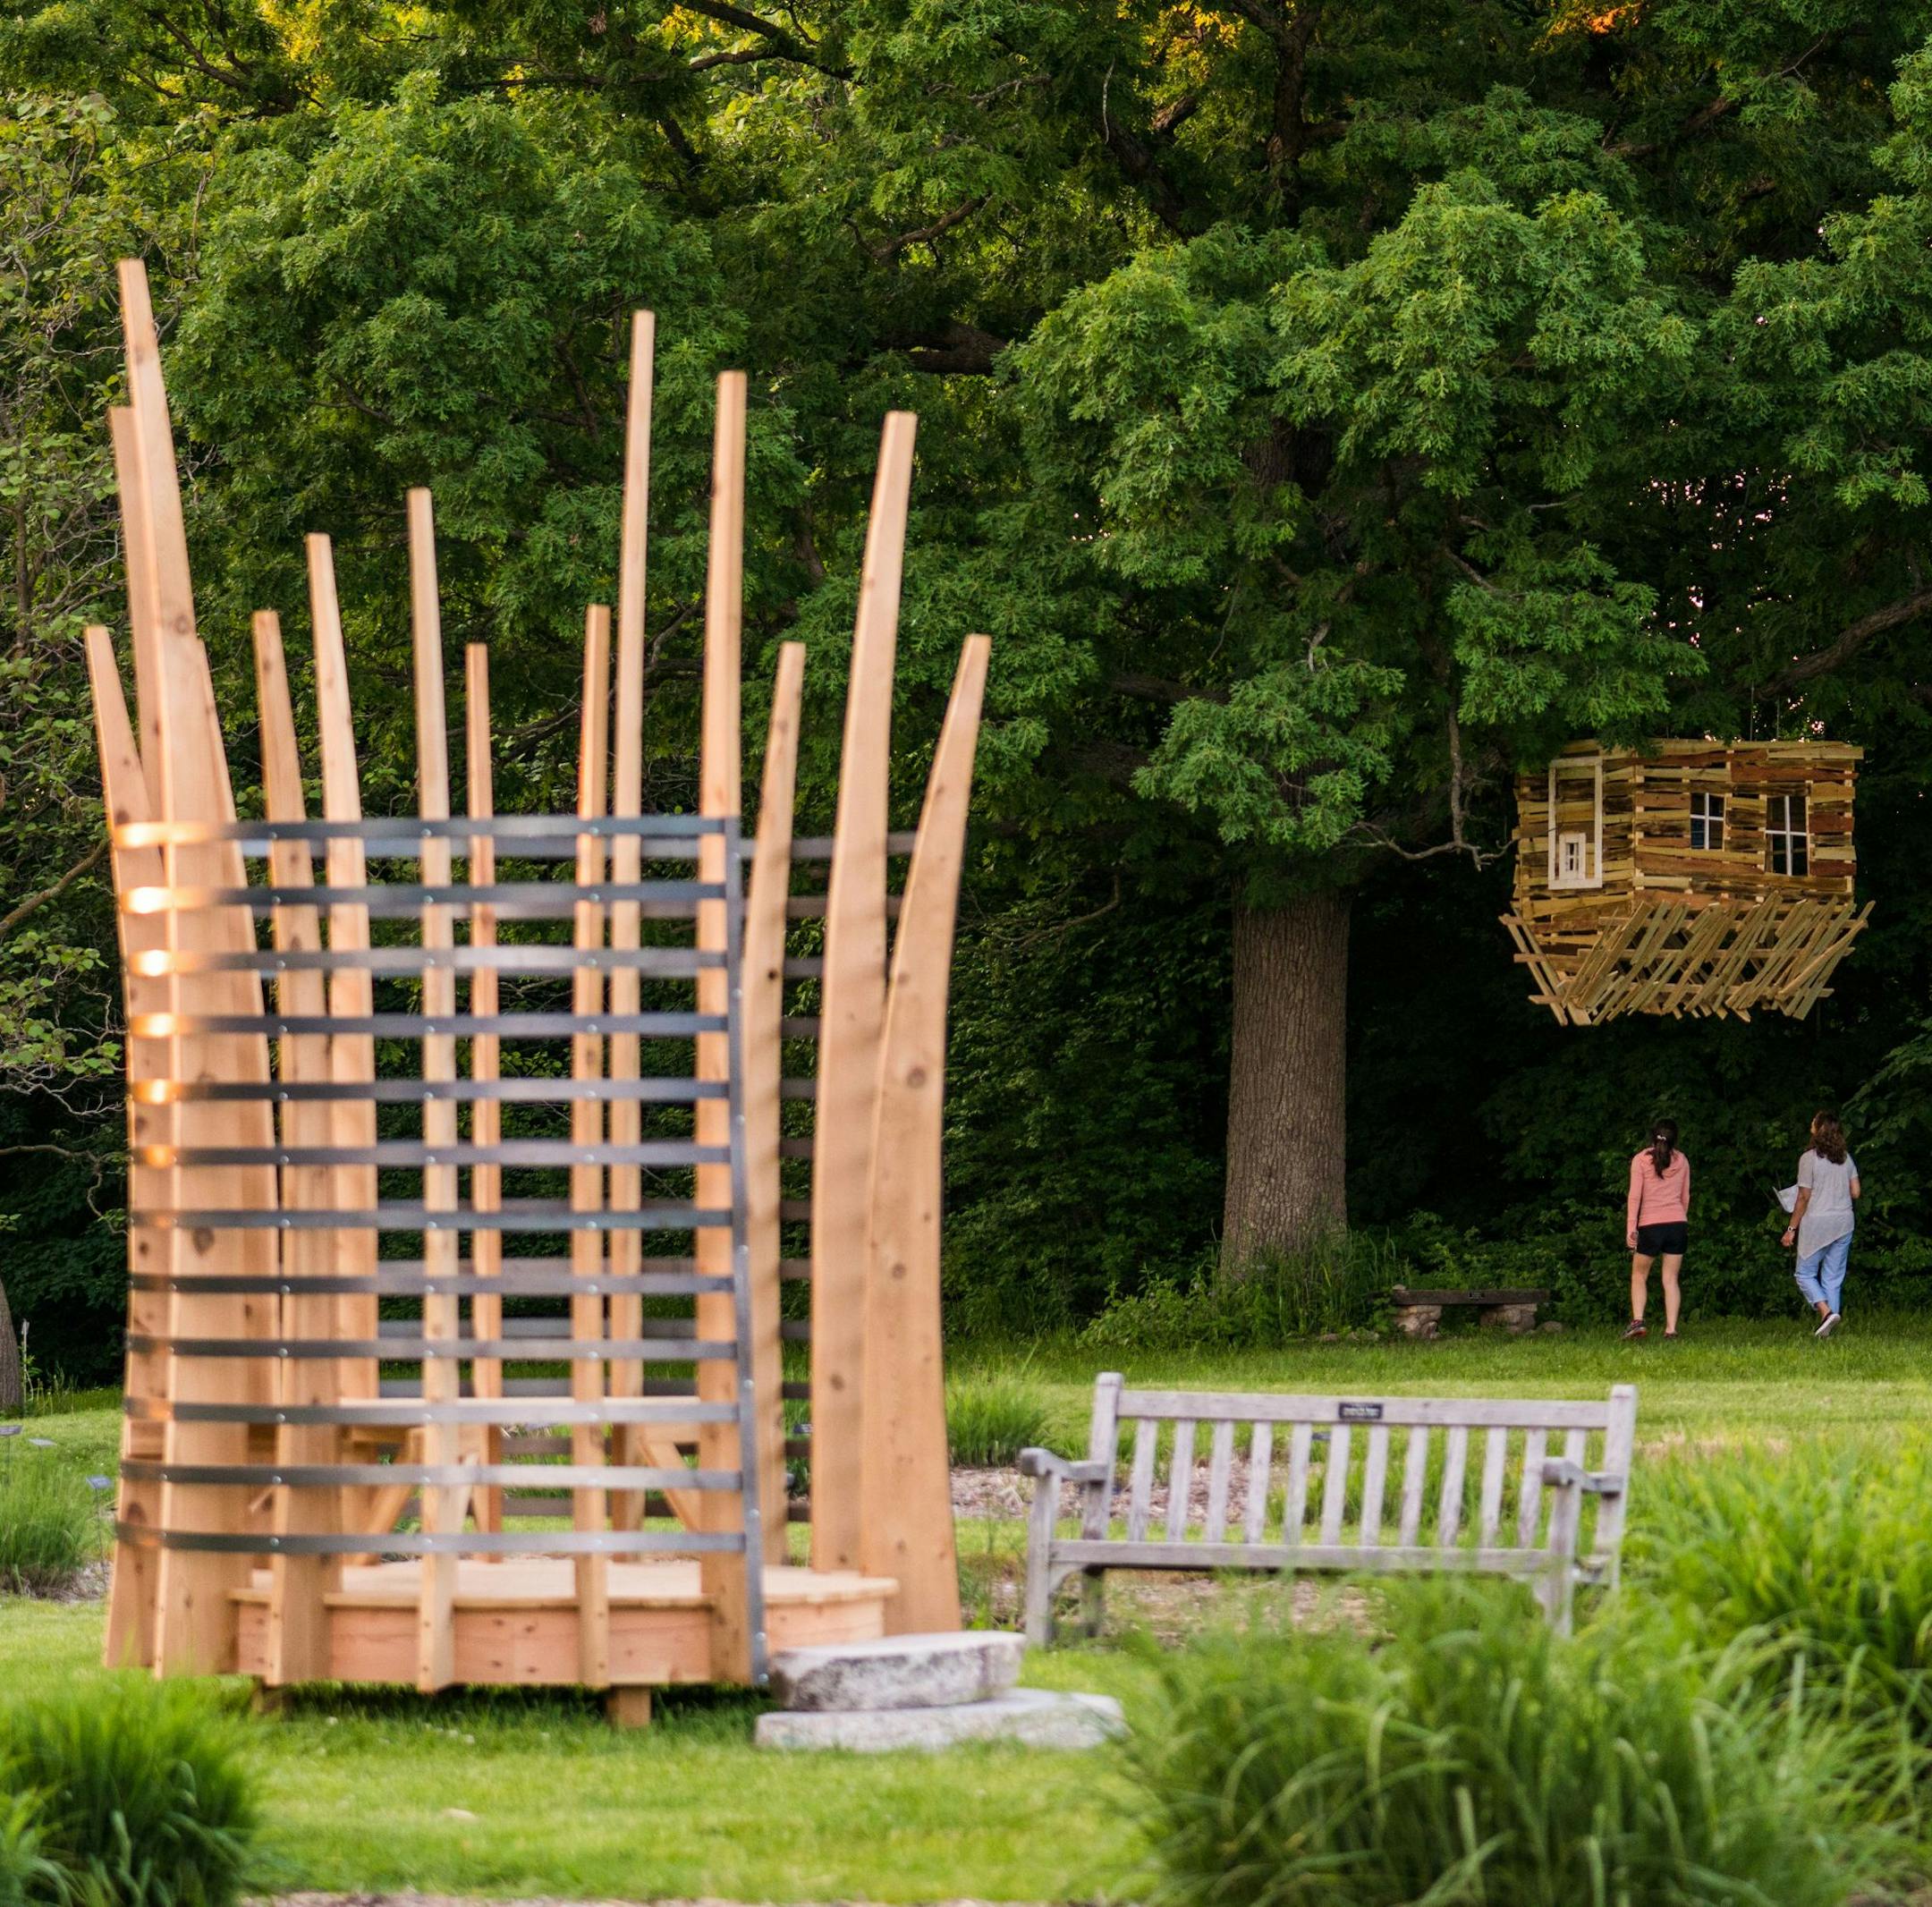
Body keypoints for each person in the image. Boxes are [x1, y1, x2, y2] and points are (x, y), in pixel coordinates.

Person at [1782, 1111, 1860, 1338]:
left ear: (1818, 1129)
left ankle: (1825, 1313)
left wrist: (1791, 1229)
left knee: (1804, 1274)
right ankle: (1830, 1331)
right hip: (1844, 1221)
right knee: (1833, 1278)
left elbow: (1804, 1197)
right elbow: (1856, 1192)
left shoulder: (1809, 1158)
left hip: (1818, 1222)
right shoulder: (1845, 1157)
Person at [1623, 1119, 1689, 1341]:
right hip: (1677, 1225)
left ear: (1652, 1136)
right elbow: (1685, 1197)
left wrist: (1631, 1228)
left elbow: (1635, 1197)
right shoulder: (1682, 1161)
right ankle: (1671, 1330)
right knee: (1670, 1278)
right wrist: (1680, 1219)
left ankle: (1638, 1321)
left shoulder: (1641, 1160)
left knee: (1639, 1275)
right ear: (1674, 1139)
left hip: (1651, 1226)